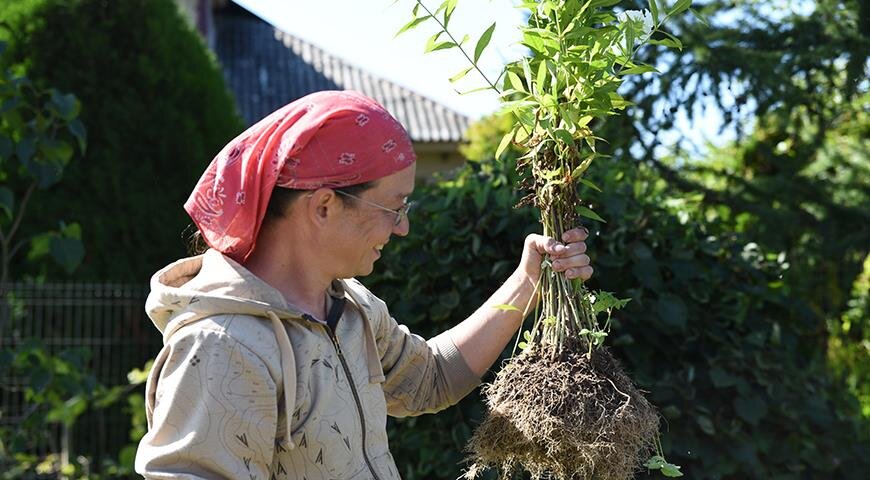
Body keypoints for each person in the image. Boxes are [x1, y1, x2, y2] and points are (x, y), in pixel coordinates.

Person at [135, 90, 593, 479]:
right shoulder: (224, 347)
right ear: (325, 206)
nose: (402, 229)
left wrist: (529, 278)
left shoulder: (349, 308)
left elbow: (429, 379)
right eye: (395, 207)